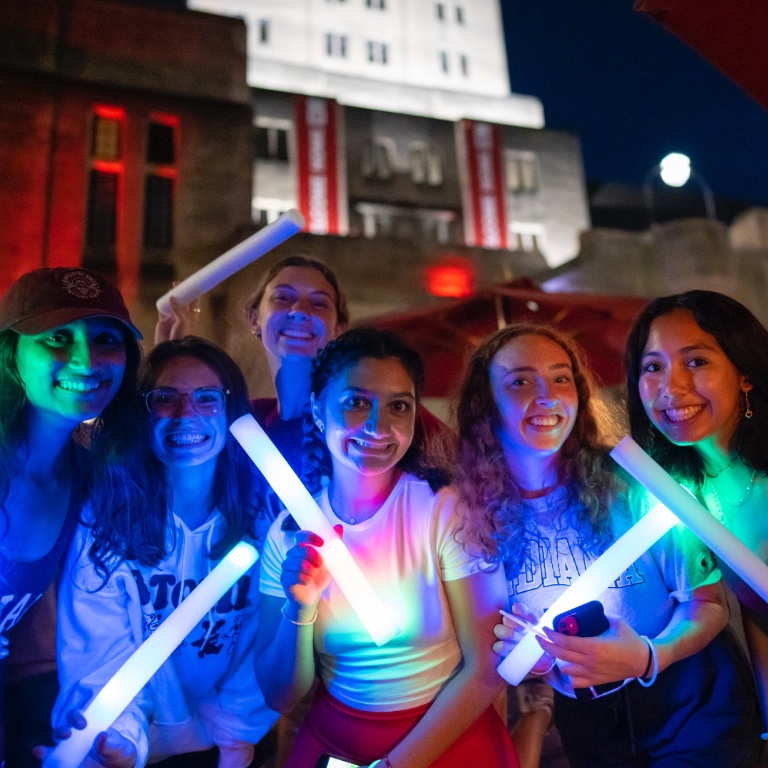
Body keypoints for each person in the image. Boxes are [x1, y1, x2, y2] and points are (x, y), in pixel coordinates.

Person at [455, 323, 762, 768]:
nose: (547, 396)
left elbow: (709, 603)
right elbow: (510, 662)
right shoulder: (469, 519)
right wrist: (537, 661)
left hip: (695, 705)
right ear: (485, 401)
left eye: (561, 378)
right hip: (590, 725)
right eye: (520, 381)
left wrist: (648, 656)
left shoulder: (633, 482)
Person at [255, 328, 519, 768]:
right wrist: (299, 609)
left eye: (399, 406)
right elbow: (281, 695)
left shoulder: (444, 509)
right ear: (319, 410)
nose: (379, 427)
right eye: (357, 402)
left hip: (447, 737)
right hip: (336, 743)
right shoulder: (289, 533)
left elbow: (488, 668)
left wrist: (397, 765)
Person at [47, 337, 277, 768]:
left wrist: (235, 740)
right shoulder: (104, 523)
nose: (185, 414)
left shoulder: (262, 521)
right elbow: (98, 652)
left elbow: (261, 642)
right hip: (134, 746)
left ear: (231, 412)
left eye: (207, 398)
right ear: (141, 413)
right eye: (164, 398)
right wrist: (118, 738)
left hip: (234, 745)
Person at [0, 267, 142, 765]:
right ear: (12, 354)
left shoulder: (86, 477)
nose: (87, 359)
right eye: (58, 337)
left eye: (107, 340)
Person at [625, 289, 768, 732]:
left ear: (744, 372)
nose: (672, 388)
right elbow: (757, 617)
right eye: (653, 367)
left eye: (696, 361)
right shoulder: (685, 497)